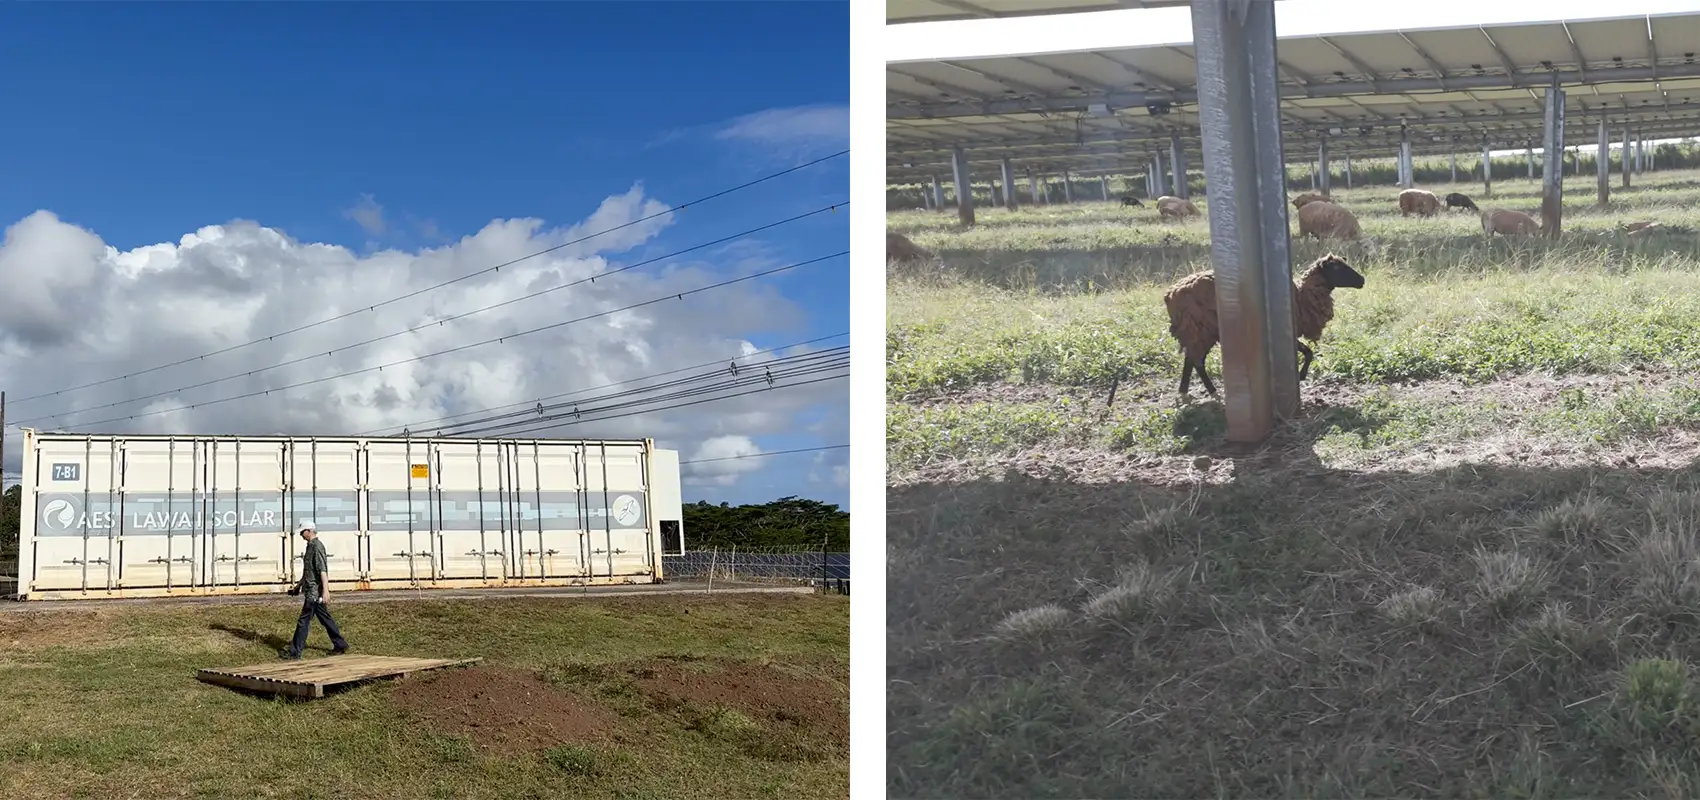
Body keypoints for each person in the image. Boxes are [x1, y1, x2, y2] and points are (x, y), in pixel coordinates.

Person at [280, 521, 350, 660]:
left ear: (309, 530)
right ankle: (340, 644)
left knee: (303, 621)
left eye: (302, 532)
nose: (300, 534)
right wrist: (298, 586)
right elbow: (309, 571)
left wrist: (326, 591)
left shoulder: (317, 547)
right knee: (325, 618)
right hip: (312, 591)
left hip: (314, 593)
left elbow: (322, 570)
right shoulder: (310, 546)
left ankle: (295, 652)